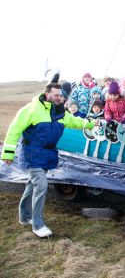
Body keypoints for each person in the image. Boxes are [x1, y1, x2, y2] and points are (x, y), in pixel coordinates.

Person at [1, 83, 97, 238]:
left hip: (47, 154)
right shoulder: (31, 109)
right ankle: (37, 225)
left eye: (61, 95)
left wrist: (90, 123)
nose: (60, 97)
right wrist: (8, 153)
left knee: (32, 185)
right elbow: (14, 129)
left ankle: (24, 217)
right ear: (47, 94)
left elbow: (75, 121)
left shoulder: (61, 113)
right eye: (56, 95)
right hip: (32, 154)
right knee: (41, 184)